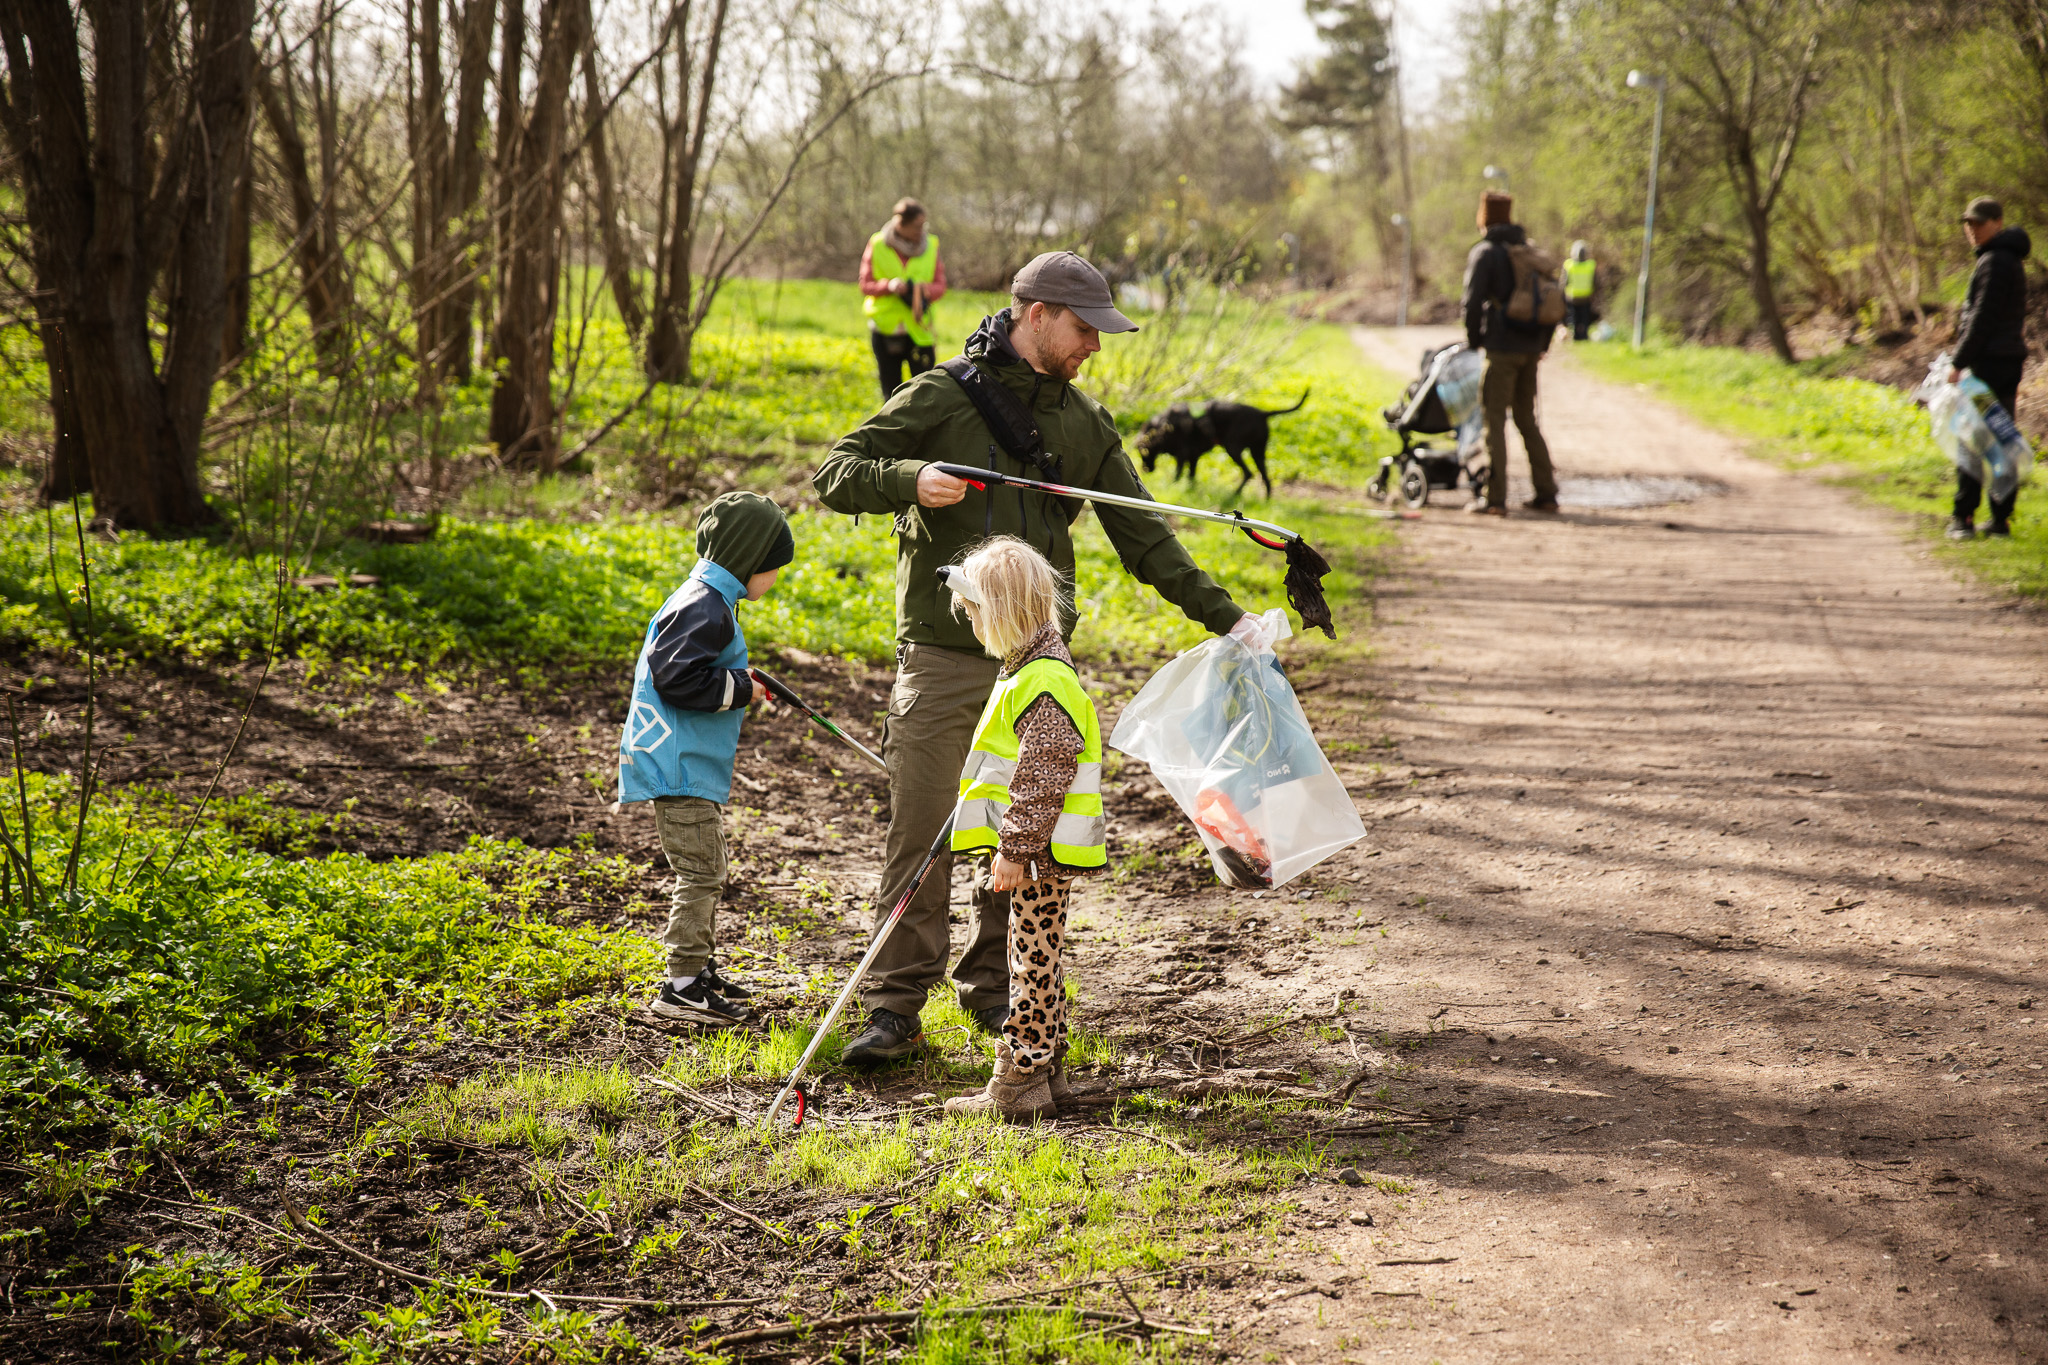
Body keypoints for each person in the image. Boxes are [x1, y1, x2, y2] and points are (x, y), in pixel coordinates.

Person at [813, 250, 1261, 1067]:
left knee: (1017, 834)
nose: (1096, 345)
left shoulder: (1084, 425)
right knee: (922, 832)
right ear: (1038, 313)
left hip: (1034, 668)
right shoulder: (940, 395)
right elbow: (835, 474)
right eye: (1086, 329)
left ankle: (998, 995)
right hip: (943, 657)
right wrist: (911, 479)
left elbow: (1146, 536)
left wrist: (1230, 620)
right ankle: (892, 1007)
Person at [937, 538, 1106, 1119]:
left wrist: (1015, 848)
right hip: (1038, 849)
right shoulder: (1029, 670)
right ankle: (1049, 1072)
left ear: (1004, 613)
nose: (973, 625)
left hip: (1039, 852)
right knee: (1040, 955)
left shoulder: (1044, 679)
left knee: (1030, 959)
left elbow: (1042, 774)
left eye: (977, 612)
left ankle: (1019, 1080)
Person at [617, 491, 794, 1027]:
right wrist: (741, 687)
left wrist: (748, 685)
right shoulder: (704, 605)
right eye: (775, 566)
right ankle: (681, 987)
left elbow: (693, 670)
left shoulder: (709, 599)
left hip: (689, 764)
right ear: (749, 558)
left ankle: (697, 969)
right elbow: (676, 677)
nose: (778, 577)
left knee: (708, 866)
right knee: (702, 872)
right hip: (679, 766)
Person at [1461, 190, 1559, 516]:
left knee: (1493, 421)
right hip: (1530, 349)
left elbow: (1472, 303)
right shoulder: (1526, 251)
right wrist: (1540, 345)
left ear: (1484, 219)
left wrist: (1475, 340)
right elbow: (1551, 299)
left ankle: (1495, 499)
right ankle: (1546, 493)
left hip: (1501, 350)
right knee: (1526, 421)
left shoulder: (1485, 253)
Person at [1946, 197, 2031, 540]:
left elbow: (1981, 319)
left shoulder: (1995, 261)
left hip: (1989, 367)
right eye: (1968, 224)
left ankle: (1963, 517)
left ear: (1997, 221)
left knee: (1972, 438)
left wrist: (1958, 362)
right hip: (2007, 362)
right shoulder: (2006, 259)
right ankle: (2000, 519)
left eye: (1979, 223)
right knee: (2001, 440)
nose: (1972, 230)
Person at [860, 198, 949, 401]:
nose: (921, 231)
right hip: (886, 329)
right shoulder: (878, 244)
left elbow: (940, 286)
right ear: (901, 224)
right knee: (891, 395)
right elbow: (865, 284)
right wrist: (889, 286)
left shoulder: (931, 245)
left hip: (919, 331)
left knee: (925, 394)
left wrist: (920, 290)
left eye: (923, 225)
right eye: (917, 226)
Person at [1562, 241, 1596, 342]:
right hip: (1586, 296)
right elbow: (1595, 281)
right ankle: (1584, 335)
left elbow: (1564, 281)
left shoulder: (1569, 265)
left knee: (1574, 317)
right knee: (1584, 317)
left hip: (1572, 296)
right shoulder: (1591, 265)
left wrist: (1562, 294)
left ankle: (1575, 336)